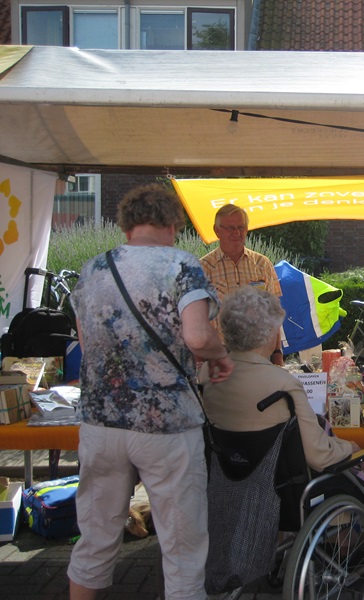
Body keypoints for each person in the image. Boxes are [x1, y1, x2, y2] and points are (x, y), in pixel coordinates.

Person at [67, 184, 234, 600]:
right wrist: (220, 353)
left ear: (127, 224)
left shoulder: (91, 269)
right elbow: (197, 338)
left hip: (100, 423)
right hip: (166, 427)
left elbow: (86, 348)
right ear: (170, 223)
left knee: (95, 539)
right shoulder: (180, 265)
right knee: (182, 551)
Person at [199, 286, 356, 471]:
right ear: (268, 334)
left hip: (224, 480)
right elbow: (319, 456)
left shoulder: (207, 372)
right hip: (274, 487)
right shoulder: (283, 383)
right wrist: (350, 447)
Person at [200, 204, 285, 365]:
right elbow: (197, 319)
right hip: (219, 356)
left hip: (259, 355)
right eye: (230, 228)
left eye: (241, 227)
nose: (237, 233)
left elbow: (274, 314)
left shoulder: (262, 264)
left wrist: (277, 352)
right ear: (217, 230)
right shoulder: (203, 268)